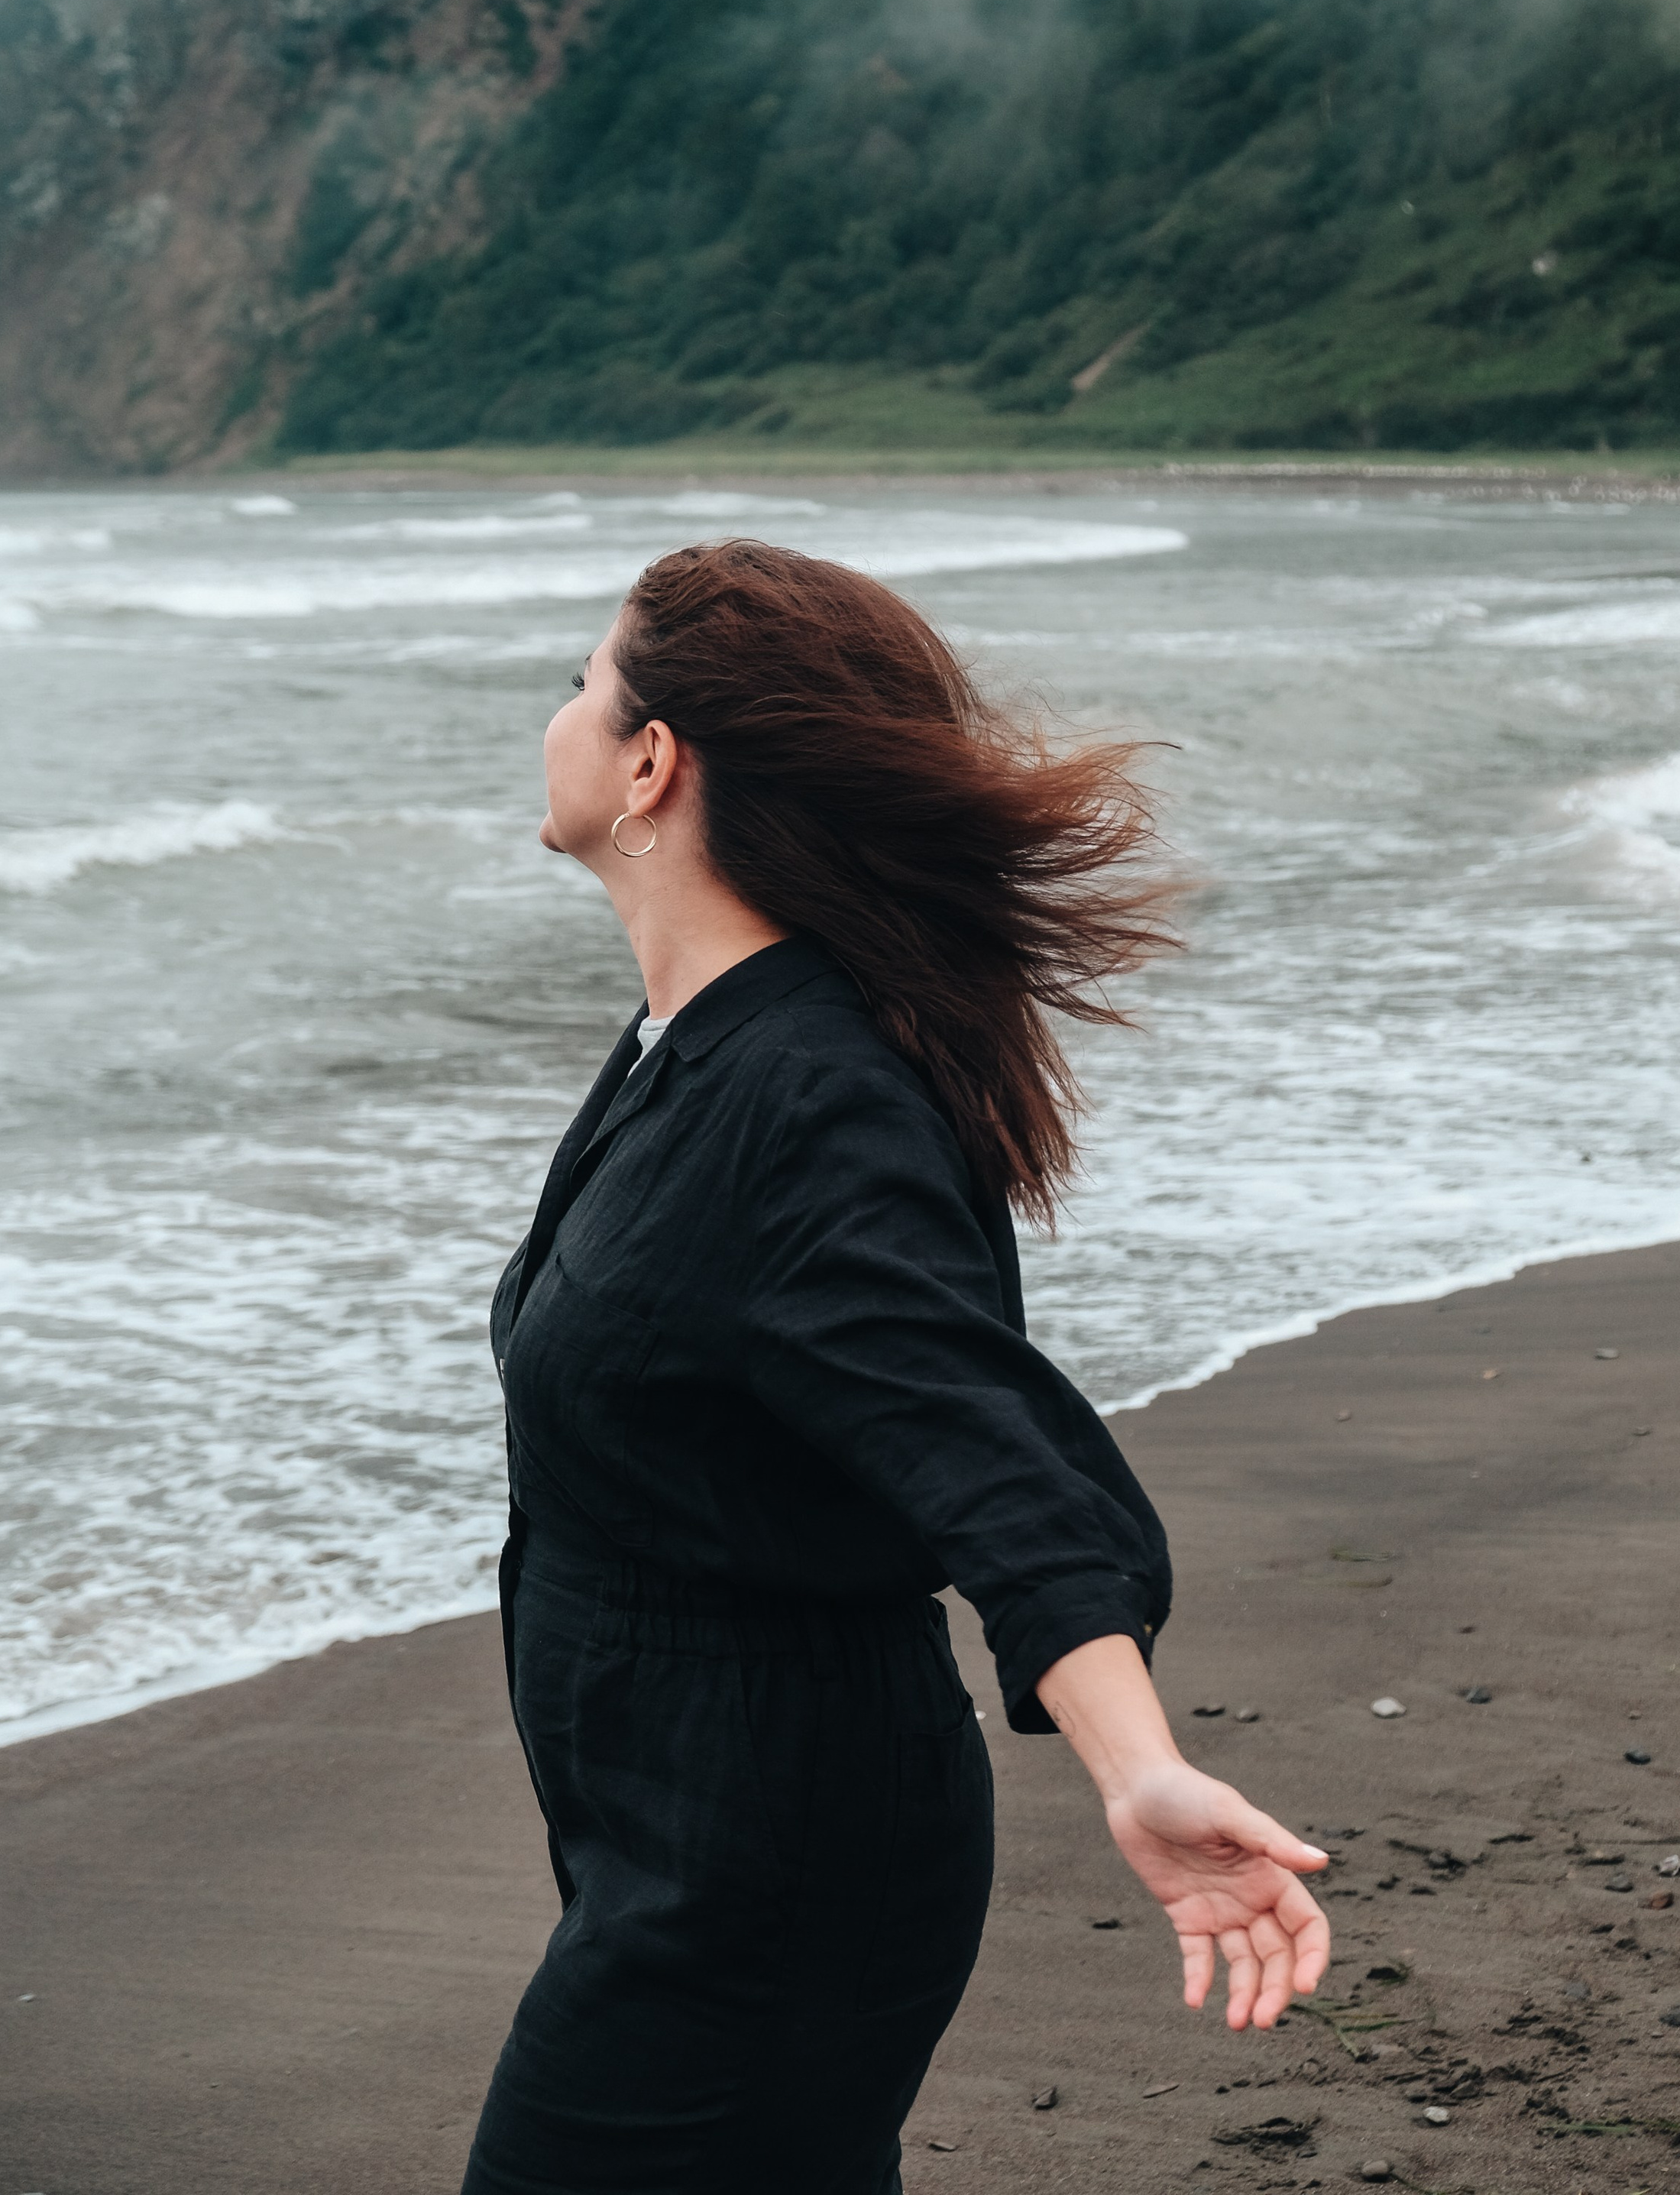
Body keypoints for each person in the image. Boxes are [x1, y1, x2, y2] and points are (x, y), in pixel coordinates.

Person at [462, 540, 1329, 2195]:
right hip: (680, 1826)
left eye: (581, 682)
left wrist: (1136, 1766)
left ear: (652, 761)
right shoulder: (697, 1040)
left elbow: (979, 1445)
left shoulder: (806, 1098)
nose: (557, 713)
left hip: (760, 1864)